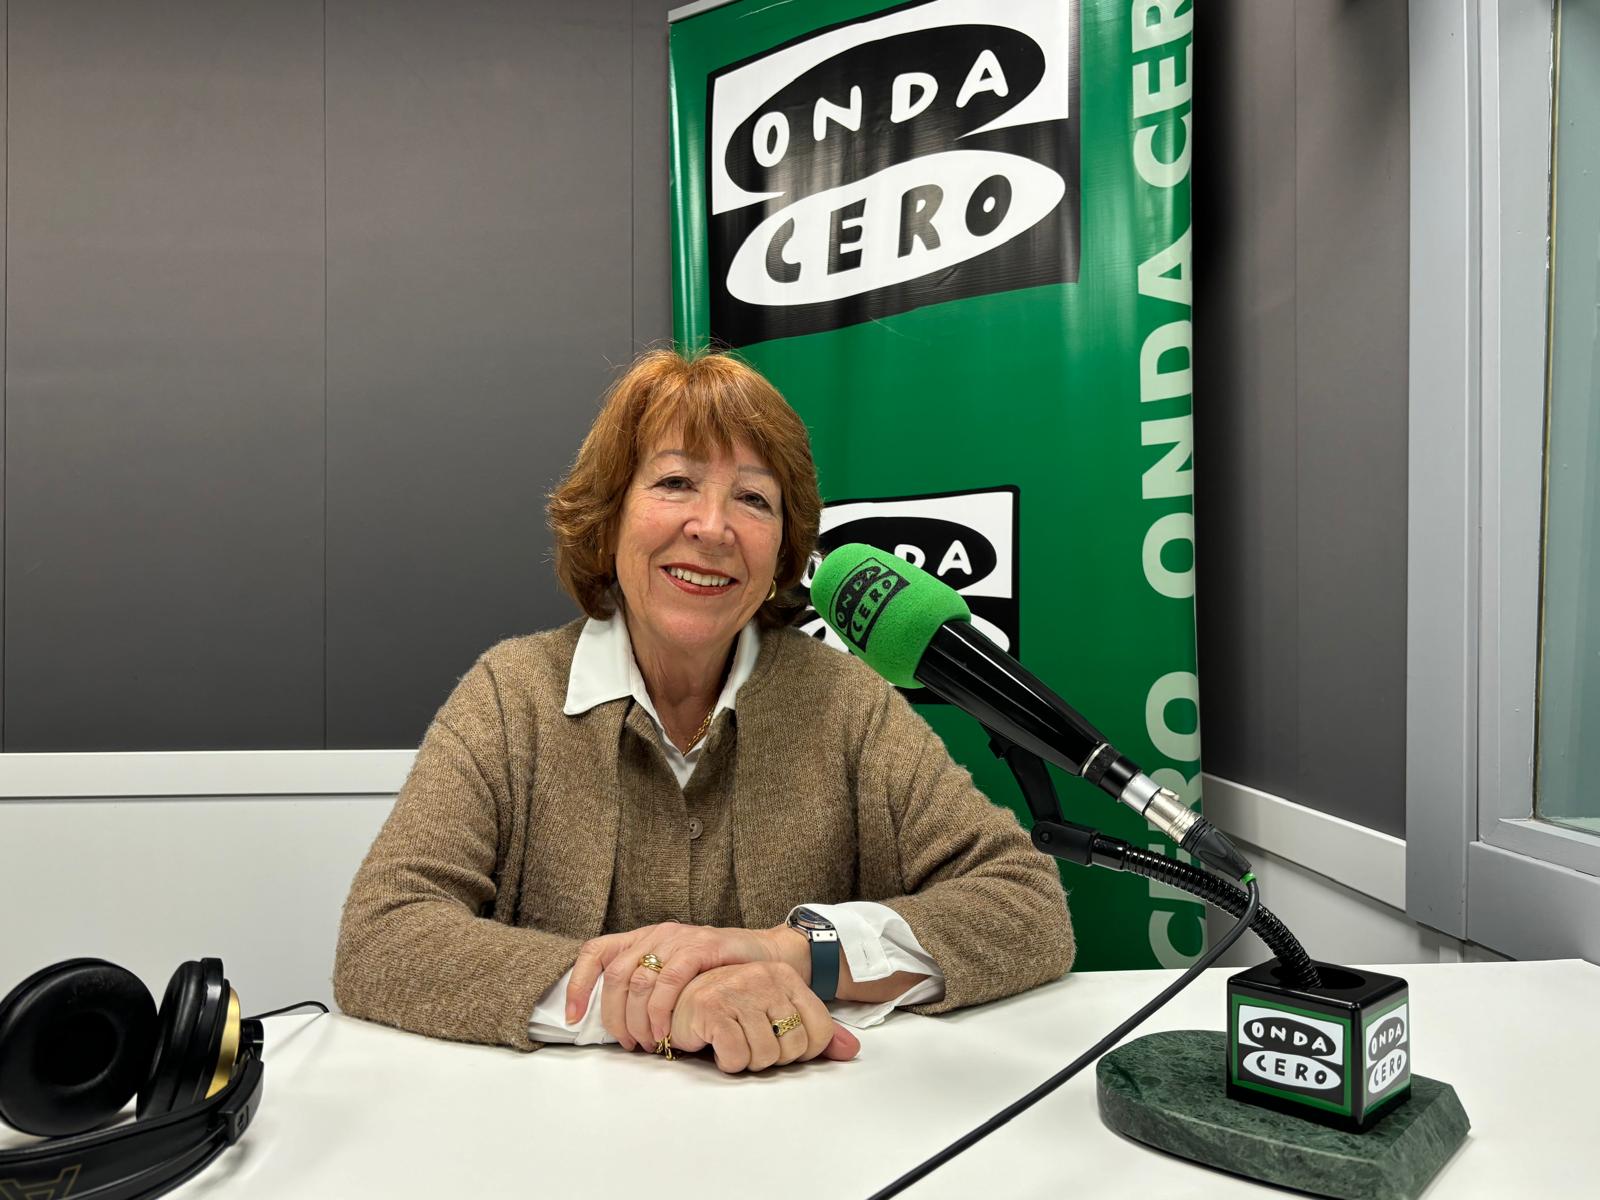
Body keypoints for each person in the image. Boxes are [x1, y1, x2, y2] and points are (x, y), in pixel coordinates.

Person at [332, 348, 1074, 1073]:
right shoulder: (511, 694)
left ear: (783, 549)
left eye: (753, 499)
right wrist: (661, 1002)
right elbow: (382, 938)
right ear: (610, 514)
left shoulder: (848, 704)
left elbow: (1027, 906)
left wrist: (797, 953)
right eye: (677, 482)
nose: (713, 528)